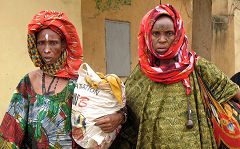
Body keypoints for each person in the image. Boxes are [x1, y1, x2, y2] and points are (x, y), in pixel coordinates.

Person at [112, 4, 240, 148]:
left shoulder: (197, 66)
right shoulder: (141, 74)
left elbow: (231, 91)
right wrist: (119, 116)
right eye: (156, 34)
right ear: (148, 34)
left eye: (169, 33)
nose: (162, 39)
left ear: (178, 34)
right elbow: (126, 111)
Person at [0, 10, 124, 148]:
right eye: (41, 43)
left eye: (53, 43)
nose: (46, 49)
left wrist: (119, 117)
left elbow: (113, 106)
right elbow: (12, 127)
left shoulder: (81, 81)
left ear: (64, 45)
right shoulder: (28, 82)